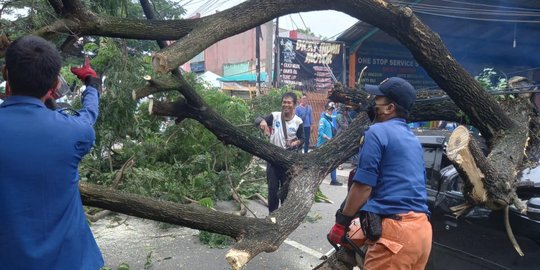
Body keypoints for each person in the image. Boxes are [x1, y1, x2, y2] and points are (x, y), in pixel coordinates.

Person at [0, 35, 104, 269]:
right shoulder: (74, 132)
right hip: (72, 262)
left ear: (6, 72)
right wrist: (92, 86)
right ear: (55, 86)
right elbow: (88, 117)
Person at [327, 77, 432, 269]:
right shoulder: (413, 139)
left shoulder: (376, 132)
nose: (373, 103)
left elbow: (364, 186)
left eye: (378, 99)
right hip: (422, 233)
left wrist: (342, 222)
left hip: (396, 235)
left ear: (390, 108)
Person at [256, 92, 304, 212]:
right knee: (272, 190)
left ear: (294, 105)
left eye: (289, 103)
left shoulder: (298, 122)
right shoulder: (275, 116)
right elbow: (257, 119)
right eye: (284, 102)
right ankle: (272, 216)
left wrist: (295, 143)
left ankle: (283, 215)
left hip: (287, 161)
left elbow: (302, 139)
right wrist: (262, 121)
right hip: (272, 159)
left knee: (285, 190)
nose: (286, 105)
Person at [318, 101, 342, 186]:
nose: (331, 111)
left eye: (332, 110)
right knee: (320, 165)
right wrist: (328, 139)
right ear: (326, 110)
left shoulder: (330, 120)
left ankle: (334, 180)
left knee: (333, 162)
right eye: (329, 110)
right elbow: (321, 133)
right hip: (322, 145)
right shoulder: (323, 120)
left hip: (330, 144)